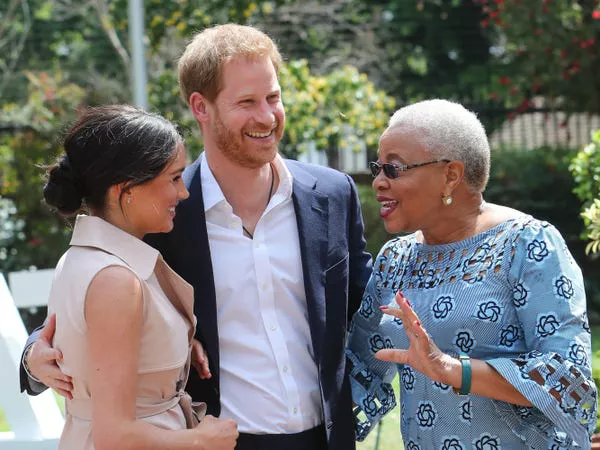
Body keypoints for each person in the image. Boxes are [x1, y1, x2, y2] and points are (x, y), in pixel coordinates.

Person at [21, 24, 372, 450]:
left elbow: (365, 307)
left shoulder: (334, 194)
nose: (266, 116)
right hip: (212, 440)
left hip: (327, 440)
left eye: (273, 98)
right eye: (246, 102)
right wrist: (32, 357)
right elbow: (91, 302)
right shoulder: (160, 211)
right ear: (200, 107)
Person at [346, 99, 597, 449]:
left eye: (395, 169)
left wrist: (451, 369)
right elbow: (359, 370)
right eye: (378, 168)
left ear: (451, 175)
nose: (378, 182)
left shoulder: (526, 244)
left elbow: (568, 380)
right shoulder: (396, 259)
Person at [31, 104, 238, 449]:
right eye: (173, 178)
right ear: (125, 190)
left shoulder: (82, 258)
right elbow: (115, 435)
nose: (183, 193)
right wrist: (202, 440)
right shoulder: (116, 279)